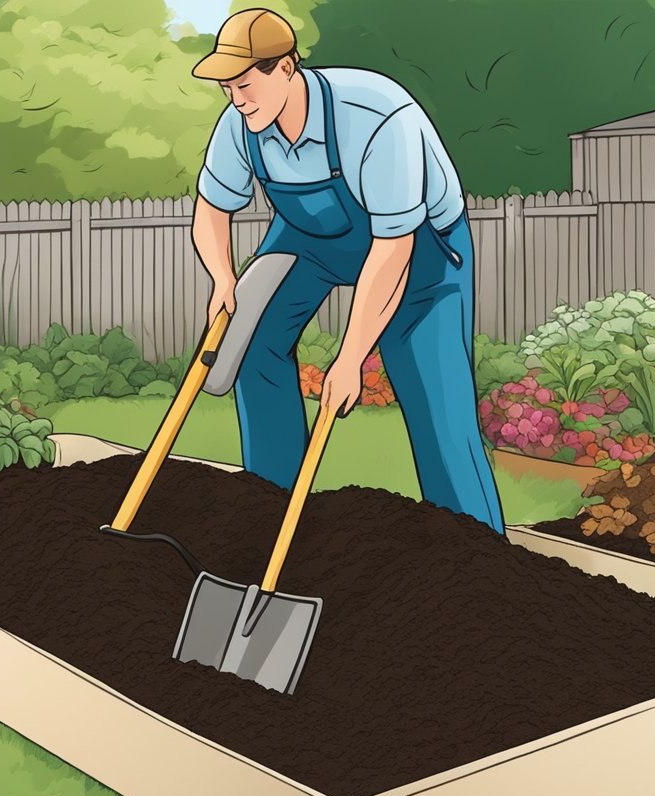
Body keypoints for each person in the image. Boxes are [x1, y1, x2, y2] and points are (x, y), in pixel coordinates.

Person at [189, 8, 505, 534]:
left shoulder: (378, 117)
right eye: (228, 88)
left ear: (287, 67)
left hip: (418, 250)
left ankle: (478, 557)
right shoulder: (241, 125)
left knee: (435, 396)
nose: (237, 98)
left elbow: (391, 249)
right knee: (249, 345)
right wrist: (223, 276)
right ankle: (273, 513)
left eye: (244, 84)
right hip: (309, 239)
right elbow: (211, 209)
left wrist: (351, 357)